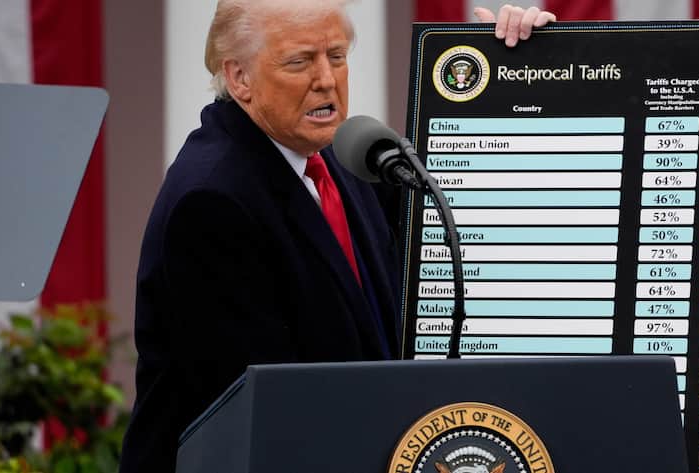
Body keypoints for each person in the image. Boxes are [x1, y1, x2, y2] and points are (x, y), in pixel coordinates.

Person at [119, 2, 555, 471]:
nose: (326, 79)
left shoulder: (344, 159)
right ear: (239, 77)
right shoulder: (213, 200)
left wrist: (512, 74)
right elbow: (270, 414)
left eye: (337, 55)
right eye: (300, 61)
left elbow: (457, 233)